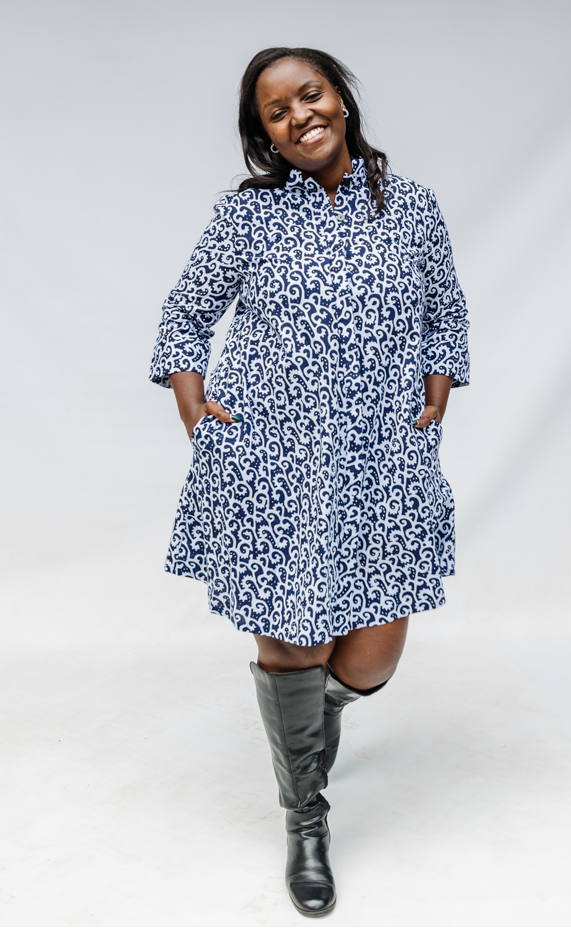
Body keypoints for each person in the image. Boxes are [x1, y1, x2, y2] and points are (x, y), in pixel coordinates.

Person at [150, 46, 469, 918]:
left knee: (368, 660)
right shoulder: (245, 217)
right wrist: (191, 403)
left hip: (378, 460)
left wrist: (435, 392)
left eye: (310, 94)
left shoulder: (411, 208)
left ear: (340, 97)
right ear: (264, 134)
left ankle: (307, 719)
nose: (299, 116)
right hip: (270, 462)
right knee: (291, 642)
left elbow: (443, 307)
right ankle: (305, 816)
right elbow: (185, 313)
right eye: (276, 111)